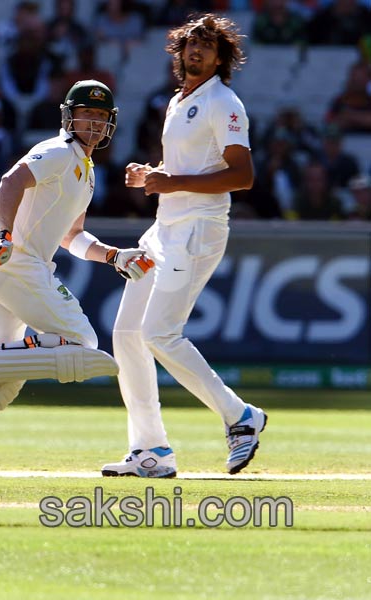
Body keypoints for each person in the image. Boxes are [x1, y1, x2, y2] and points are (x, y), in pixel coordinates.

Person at [0, 80, 151, 477]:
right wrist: (4, 232)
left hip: (3, 264)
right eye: (86, 114)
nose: (93, 123)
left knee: (4, 380)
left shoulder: (86, 172)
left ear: (110, 125)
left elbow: (71, 235)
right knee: (82, 343)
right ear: (69, 117)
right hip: (13, 261)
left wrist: (113, 256)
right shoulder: (56, 151)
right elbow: (11, 181)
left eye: (101, 117)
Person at [103, 14, 265, 479]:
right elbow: (191, 166)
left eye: (207, 46)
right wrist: (153, 175)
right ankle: (150, 450)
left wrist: (170, 182)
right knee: (126, 334)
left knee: (159, 334)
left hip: (198, 229)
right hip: (164, 228)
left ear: (221, 57)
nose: (196, 51)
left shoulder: (224, 101)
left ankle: (240, 417)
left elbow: (242, 175)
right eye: (190, 44)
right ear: (179, 52)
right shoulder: (178, 100)